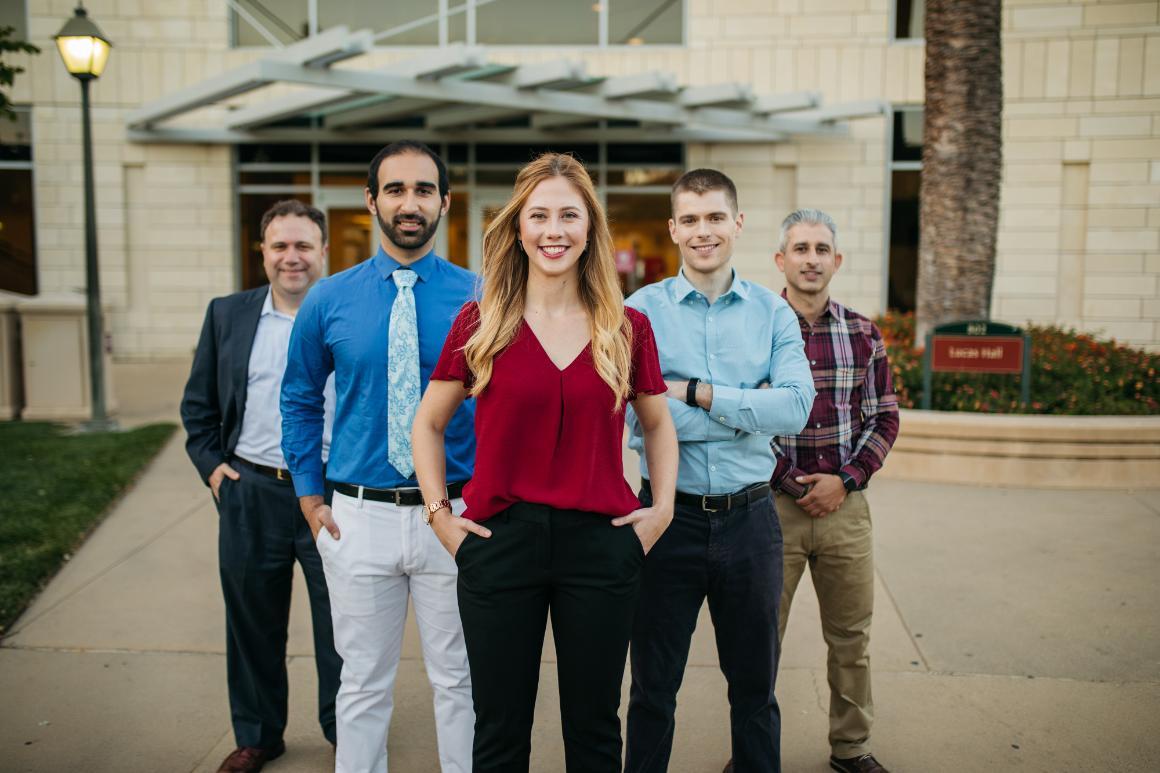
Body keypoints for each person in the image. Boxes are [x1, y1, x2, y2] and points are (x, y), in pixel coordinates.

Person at [412, 152, 679, 773]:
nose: (553, 230)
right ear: (518, 228)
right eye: (539, 215)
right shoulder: (480, 324)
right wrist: (439, 516)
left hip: (602, 543)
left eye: (568, 214)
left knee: (593, 731)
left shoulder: (626, 326)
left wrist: (660, 509)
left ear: (590, 228)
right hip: (499, 541)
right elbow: (426, 424)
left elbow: (658, 424)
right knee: (500, 730)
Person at [280, 141, 476, 773]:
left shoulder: (484, 296)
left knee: (461, 683)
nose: (409, 203)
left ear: (445, 202)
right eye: (395, 190)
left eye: (423, 190)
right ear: (371, 201)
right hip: (357, 517)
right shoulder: (328, 299)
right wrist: (310, 495)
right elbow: (300, 399)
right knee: (361, 685)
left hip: (457, 513)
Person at [624, 169, 816, 773]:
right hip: (663, 519)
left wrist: (694, 394)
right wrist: (745, 405)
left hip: (752, 522)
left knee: (755, 691)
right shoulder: (639, 311)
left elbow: (794, 408)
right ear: (673, 228)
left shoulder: (773, 313)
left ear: (737, 223)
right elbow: (632, 417)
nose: (702, 231)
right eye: (690, 219)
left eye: (714, 218)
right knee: (652, 691)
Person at [180, 199, 341, 773]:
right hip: (252, 491)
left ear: (323, 251)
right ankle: (258, 736)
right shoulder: (228, 313)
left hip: (331, 495)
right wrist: (212, 467)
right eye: (280, 246)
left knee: (343, 625)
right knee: (252, 623)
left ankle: (345, 731)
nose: (291, 257)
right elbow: (199, 404)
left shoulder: (343, 312)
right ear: (264, 252)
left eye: (303, 245)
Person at [770, 209, 900, 773]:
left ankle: (851, 749)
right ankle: (753, 749)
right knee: (759, 638)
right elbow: (740, 419)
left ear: (836, 261)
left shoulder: (864, 333)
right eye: (800, 248)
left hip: (847, 509)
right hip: (773, 509)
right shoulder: (758, 330)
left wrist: (845, 481)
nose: (811, 259)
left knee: (851, 639)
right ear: (781, 260)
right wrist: (789, 481)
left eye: (822, 249)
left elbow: (885, 417)